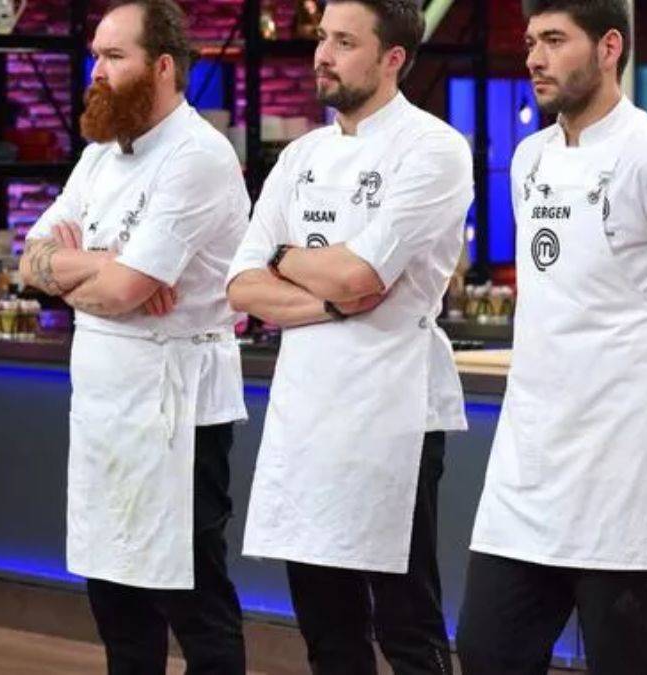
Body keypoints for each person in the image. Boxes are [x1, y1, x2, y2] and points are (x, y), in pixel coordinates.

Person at [454, 1, 647, 673]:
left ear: (609, 48)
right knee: (487, 650)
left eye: (554, 40)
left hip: (624, 455)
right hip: (530, 454)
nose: (534, 58)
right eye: (530, 41)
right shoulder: (528, 158)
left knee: (625, 657)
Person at [225, 1, 472, 672]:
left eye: (343, 42)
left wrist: (285, 258)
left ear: (392, 58)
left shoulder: (434, 149)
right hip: (306, 412)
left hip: (393, 409)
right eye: (322, 39)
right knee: (327, 632)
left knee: (407, 625)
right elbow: (241, 286)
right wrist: (333, 297)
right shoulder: (300, 155)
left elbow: (364, 272)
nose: (322, 55)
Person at [17, 1, 249, 672]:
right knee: (116, 607)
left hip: (177, 411)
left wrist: (85, 273)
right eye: (96, 55)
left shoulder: (198, 156)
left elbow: (117, 292)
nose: (96, 70)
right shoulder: (98, 156)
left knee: (195, 603)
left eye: (114, 57)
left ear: (163, 67)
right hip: (104, 409)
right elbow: (30, 261)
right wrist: (107, 263)